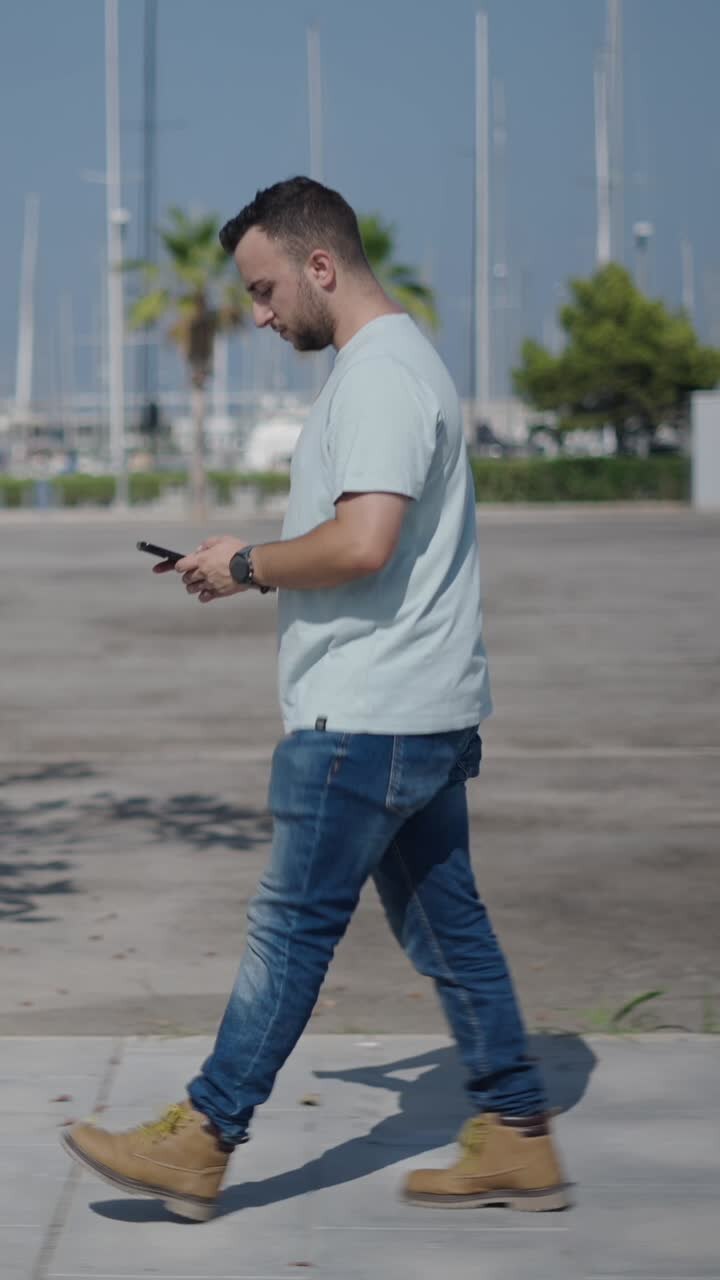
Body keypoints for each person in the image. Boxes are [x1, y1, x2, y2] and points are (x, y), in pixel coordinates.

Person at [61, 177, 570, 1222]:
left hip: (365, 718)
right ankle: (518, 1132)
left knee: (290, 931)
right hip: (418, 710)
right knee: (449, 929)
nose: (257, 314)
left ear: (320, 265)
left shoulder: (380, 376)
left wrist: (246, 562)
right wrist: (242, 560)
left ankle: (203, 1136)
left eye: (263, 288)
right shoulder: (398, 362)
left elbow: (362, 540)